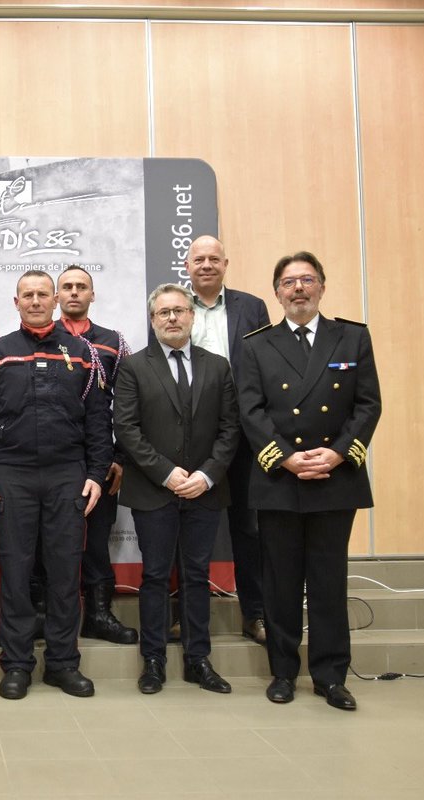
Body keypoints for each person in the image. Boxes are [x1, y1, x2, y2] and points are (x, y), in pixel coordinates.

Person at [238, 251, 381, 710]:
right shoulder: (256, 344)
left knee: (327, 581)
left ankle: (331, 676)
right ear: (276, 292)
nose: (298, 288)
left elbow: (368, 405)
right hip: (280, 479)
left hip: (333, 479)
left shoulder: (352, 337)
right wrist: (285, 458)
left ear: (322, 285)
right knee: (279, 583)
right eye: (288, 282)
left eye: (306, 280)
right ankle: (282, 672)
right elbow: (250, 410)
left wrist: (338, 454)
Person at [0, 270, 110, 700]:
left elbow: (99, 418)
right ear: (15, 301)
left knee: (65, 572)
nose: (35, 301)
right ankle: (17, 665)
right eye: (27, 295)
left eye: (42, 294)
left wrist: (96, 473)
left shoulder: (81, 352)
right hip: (11, 474)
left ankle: (63, 664)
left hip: (68, 474)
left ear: (55, 300)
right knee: (16, 572)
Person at [114, 284, 240, 695]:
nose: (172, 318)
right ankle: (152, 661)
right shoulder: (133, 367)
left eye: (180, 311)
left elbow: (229, 429)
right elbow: (127, 430)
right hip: (154, 491)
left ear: (192, 316)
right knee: (153, 576)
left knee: (196, 576)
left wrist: (205, 476)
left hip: (204, 491)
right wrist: (168, 474)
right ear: (152, 320)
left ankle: (197, 660)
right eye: (164, 312)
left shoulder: (218, 366)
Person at [185, 235, 272, 645]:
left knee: (249, 530)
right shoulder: (173, 306)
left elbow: (269, 366)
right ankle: (183, 615)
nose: (206, 265)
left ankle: (254, 613)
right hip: (191, 436)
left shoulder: (251, 308)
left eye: (213, 259)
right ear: (187, 266)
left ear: (225, 264)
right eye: (199, 258)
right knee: (183, 530)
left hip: (246, 435)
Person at [53, 265, 138, 645]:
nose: (74, 292)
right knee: (48, 542)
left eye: (81, 287)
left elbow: (130, 404)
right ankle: (46, 613)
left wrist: (119, 457)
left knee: (97, 539)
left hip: (101, 462)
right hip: (52, 461)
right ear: (56, 296)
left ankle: (100, 614)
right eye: (67, 287)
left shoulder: (114, 342)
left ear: (92, 294)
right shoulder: (38, 337)